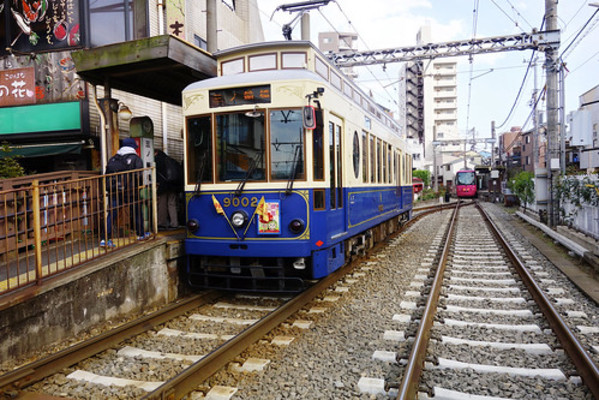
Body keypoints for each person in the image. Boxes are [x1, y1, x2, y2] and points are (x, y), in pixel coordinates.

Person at [101, 138, 145, 247]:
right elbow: (139, 175)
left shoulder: (113, 159)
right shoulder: (136, 159)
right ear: (133, 147)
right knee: (136, 211)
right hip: (130, 191)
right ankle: (141, 234)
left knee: (112, 214)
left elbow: (107, 174)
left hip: (114, 191)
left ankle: (105, 239)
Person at [155, 149, 183, 230]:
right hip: (173, 185)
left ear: (156, 153)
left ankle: (162, 223)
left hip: (163, 186)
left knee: (162, 204)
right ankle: (174, 223)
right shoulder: (171, 160)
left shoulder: (157, 160)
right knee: (172, 204)